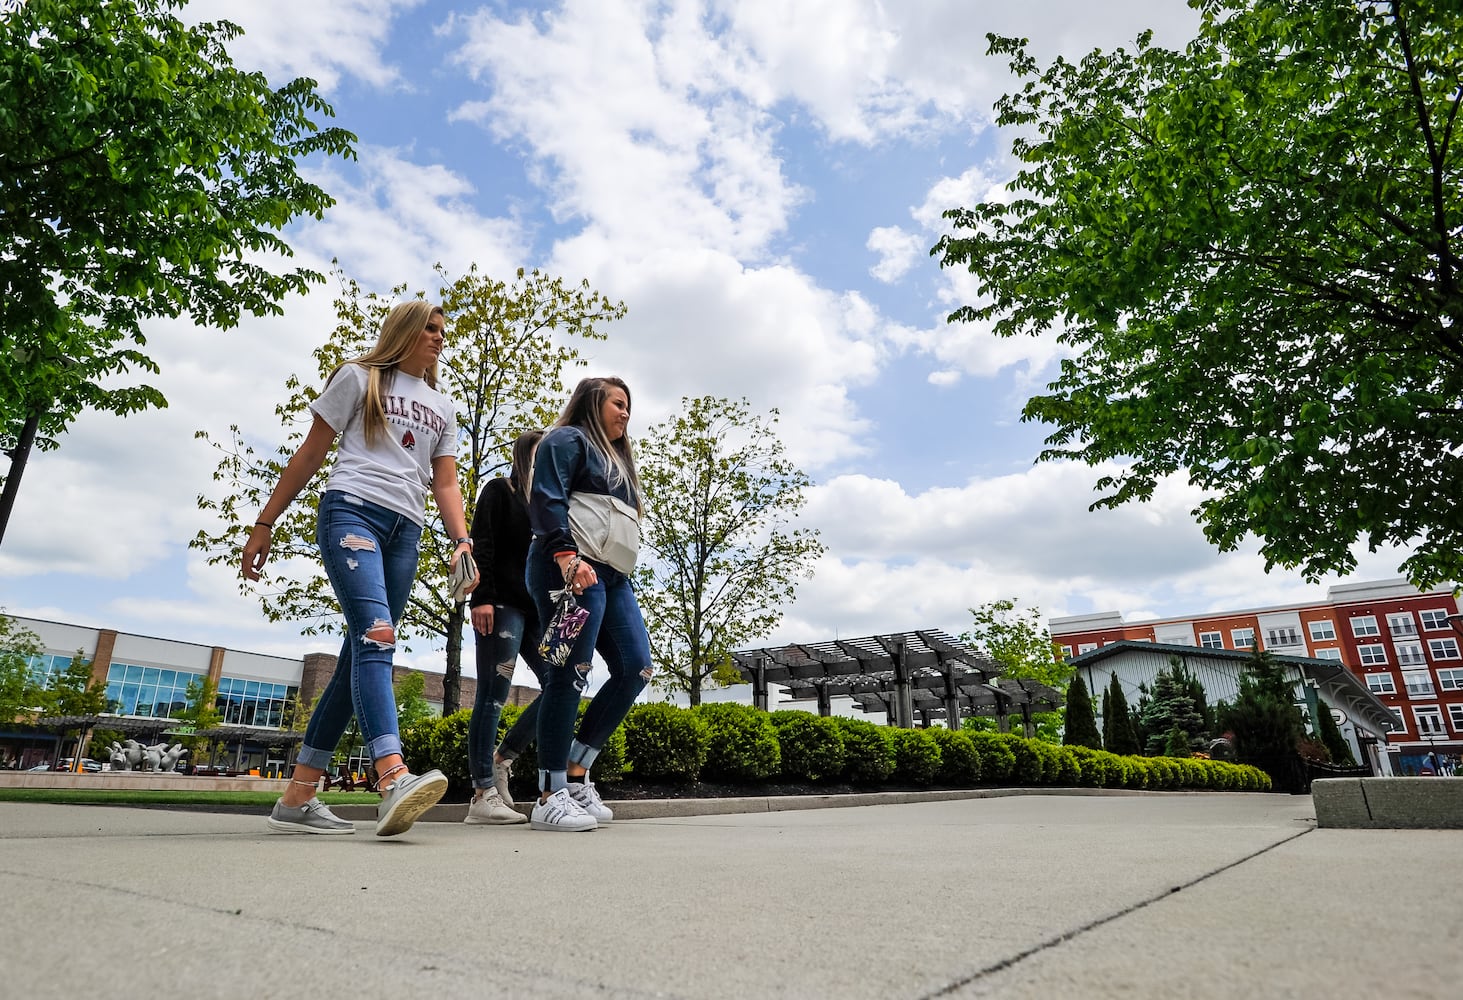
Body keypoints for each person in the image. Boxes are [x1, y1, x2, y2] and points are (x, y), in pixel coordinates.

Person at [243, 300, 476, 837]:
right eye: (429, 329)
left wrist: (462, 541)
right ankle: (392, 775)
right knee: (378, 636)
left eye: (442, 330)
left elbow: (445, 484)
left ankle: (298, 797)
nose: (439, 338)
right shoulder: (359, 378)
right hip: (352, 511)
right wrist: (265, 522)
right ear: (404, 332)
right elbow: (310, 454)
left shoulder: (442, 407)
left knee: (358, 657)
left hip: (406, 531)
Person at [525, 376, 653, 832]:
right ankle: (549, 793)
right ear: (593, 402)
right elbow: (547, 497)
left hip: (614, 576)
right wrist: (565, 555)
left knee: (637, 666)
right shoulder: (567, 439)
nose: (625, 413)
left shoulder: (619, 460)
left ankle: (577, 774)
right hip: (570, 566)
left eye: (628, 406)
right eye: (618, 404)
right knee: (569, 672)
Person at [463, 429, 549, 825]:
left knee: (561, 684)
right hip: (501, 604)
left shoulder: (547, 508)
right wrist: (480, 598)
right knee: (494, 693)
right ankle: (482, 793)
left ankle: (503, 759)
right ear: (525, 456)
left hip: (536, 611)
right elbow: (484, 543)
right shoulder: (500, 491)